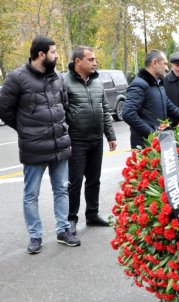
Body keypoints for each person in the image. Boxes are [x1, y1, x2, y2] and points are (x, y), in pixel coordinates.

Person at [0, 35, 81, 253]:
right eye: (53, 52)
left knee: (62, 190)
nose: (57, 56)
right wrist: (25, 129)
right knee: (31, 195)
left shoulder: (57, 78)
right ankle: (35, 236)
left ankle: (64, 230)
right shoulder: (16, 78)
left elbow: (64, 104)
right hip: (34, 147)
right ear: (41, 54)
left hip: (60, 145)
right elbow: (4, 110)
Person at [63, 46, 117, 234]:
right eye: (90, 59)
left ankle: (92, 214)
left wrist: (110, 135)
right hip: (76, 140)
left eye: (95, 60)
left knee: (94, 179)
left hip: (96, 140)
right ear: (78, 62)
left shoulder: (96, 82)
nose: (95, 63)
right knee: (75, 182)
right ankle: (71, 219)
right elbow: (59, 112)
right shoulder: (64, 82)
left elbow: (104, 109)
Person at [122, 49, 179, 148]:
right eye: (165, 64)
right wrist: (152, 134)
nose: (166, 68)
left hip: (159, 141)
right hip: (146, 145)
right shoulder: (139, 84)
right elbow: (128, 114)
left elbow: (173, 109)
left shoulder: (158, 85)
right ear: (155, 63)